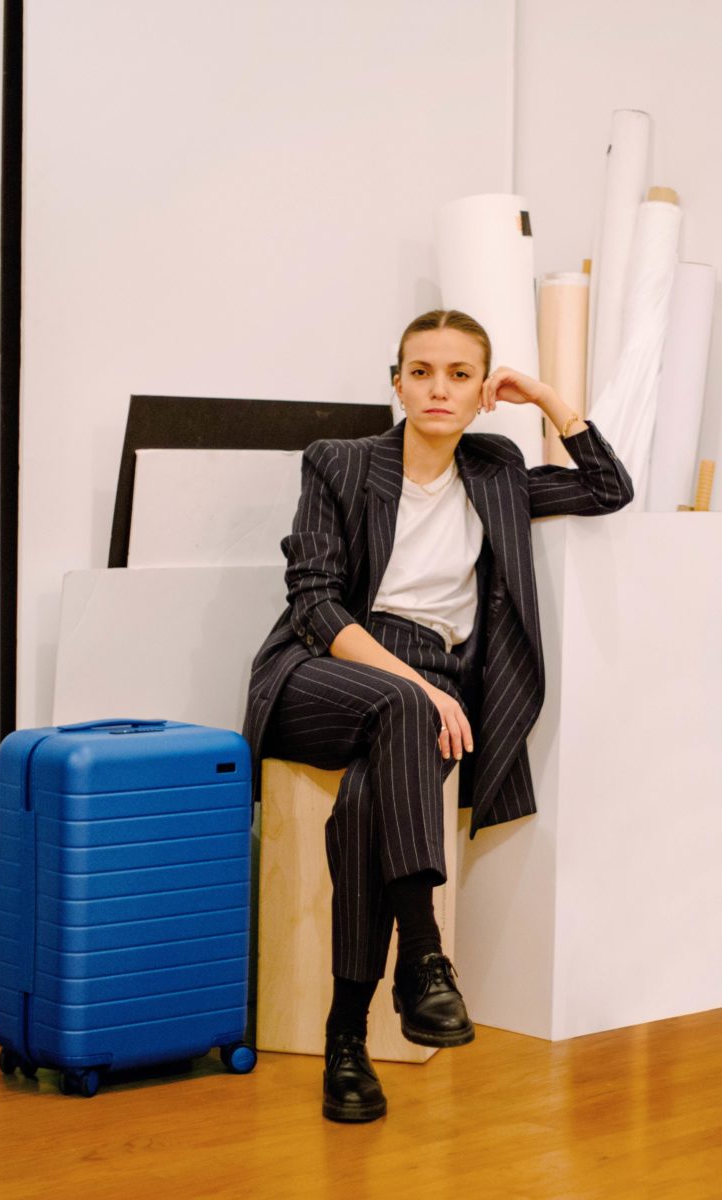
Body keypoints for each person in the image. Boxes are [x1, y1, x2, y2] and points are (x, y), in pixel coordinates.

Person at [243, 309, 634, 1123]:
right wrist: (418, 690)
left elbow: (609, 488)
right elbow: (314, 604)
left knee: (363, 808)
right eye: (421, 371)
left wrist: (545, 397)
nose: (438, 389)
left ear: (482, 392)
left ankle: (345, 1040)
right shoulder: (341, 463)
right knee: (400, 705)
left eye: (461, 374)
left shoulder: (494, 473)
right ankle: (423, 954)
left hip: (435, 689)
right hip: (328, 668)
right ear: (395, 381)